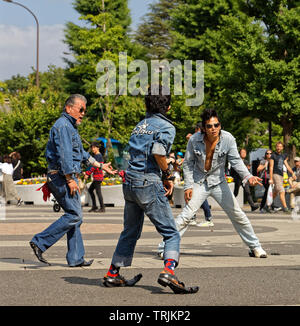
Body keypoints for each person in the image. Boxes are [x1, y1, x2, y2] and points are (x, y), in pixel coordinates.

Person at [102, 87, 198, 294]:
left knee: (130, 231)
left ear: (146, 105)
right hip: (148, 181)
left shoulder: (139, 126)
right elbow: (158, 152)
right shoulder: (166, 126)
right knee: (171, 233)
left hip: (130, 181)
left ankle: (113, 273)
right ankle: (169, 271)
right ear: (169, 107)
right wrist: (168, 175)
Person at [161, 108, 267, 258]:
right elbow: (188, 164)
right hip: (199, 182)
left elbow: (236, 161)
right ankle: (164, 247)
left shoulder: (228, 139)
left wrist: (248, 176)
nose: (213, 129)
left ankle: (255, 247)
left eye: (216, 125)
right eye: (210, 126)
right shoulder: (194, 140)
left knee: (237, 214)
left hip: (218, 182)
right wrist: (188, 186)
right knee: (186, 215)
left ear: (220, 125)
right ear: (204, 128)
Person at [29, 94, 114, 267]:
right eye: (80, 109)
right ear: (69, 108)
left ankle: (75, 258)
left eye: (85, 110)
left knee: (75, 217)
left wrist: (100, 165)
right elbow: (65, 155)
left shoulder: (69, 126)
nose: (83, 113)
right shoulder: (64, 126)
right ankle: (39, 242)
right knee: (75, 215)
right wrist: (69, 179)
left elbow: (81, 153)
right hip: (61, 177)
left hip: (64, 176)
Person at [84, 142, 116, 212]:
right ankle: (95, 206)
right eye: (92, 147)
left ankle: (102, 208)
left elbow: (95, 167)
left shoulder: (98, 156)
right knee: (91, 190)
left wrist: (87, 174)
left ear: (97, 148)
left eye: (94, 147)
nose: (93, 149)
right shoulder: (96, 156)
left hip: (98, 177)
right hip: (96, 177)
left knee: (98, 192)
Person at [269, 142, 296, 213]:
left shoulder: (283, 156)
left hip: (281, 175)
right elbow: (271, 167)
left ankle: (267, 205)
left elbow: (287, 165)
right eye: (277, 146)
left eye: (280, 146)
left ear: (282, 148)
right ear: (276, 147)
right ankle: (285, 208)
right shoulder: (273, 156)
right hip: (275, 174)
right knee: (282, 191)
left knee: (275, 192)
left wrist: (292, 173)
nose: (279, 148)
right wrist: (271, 178)